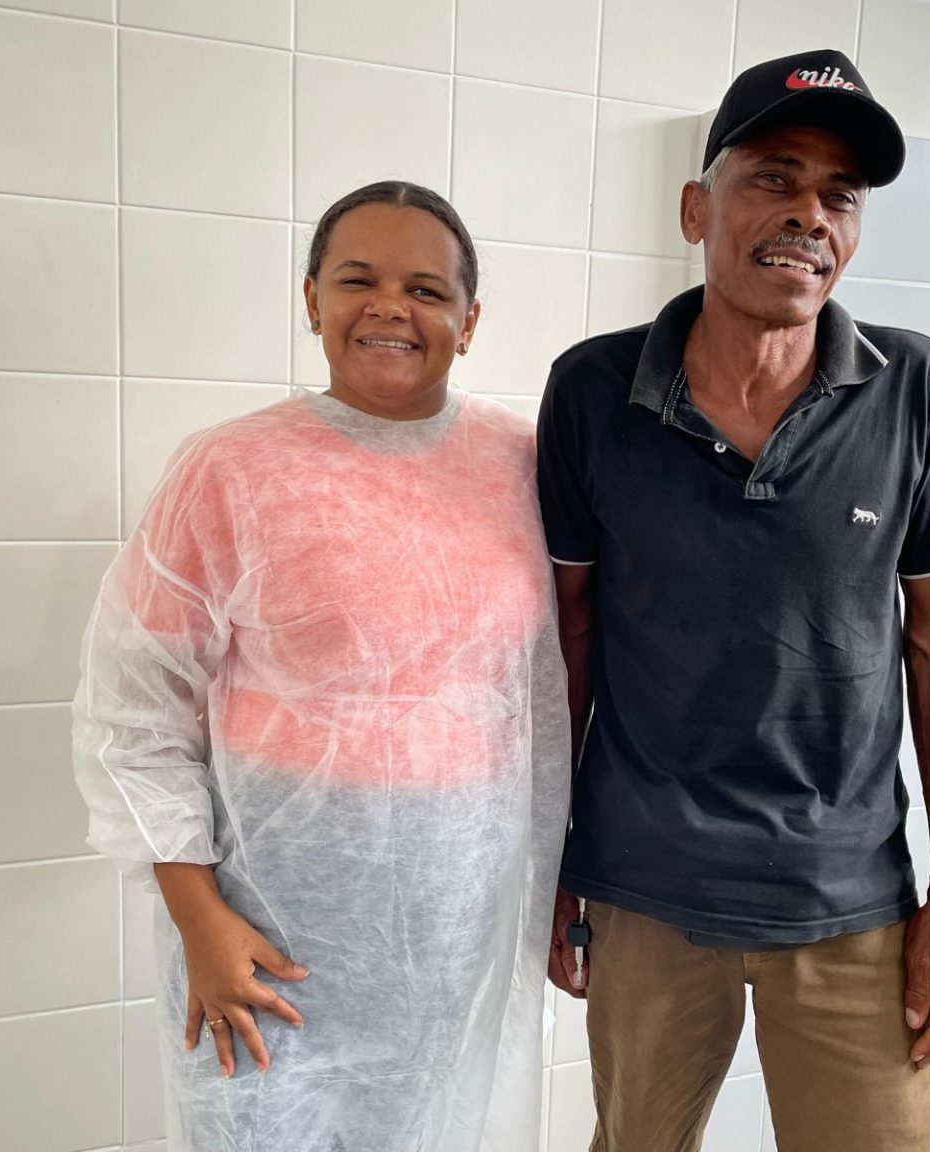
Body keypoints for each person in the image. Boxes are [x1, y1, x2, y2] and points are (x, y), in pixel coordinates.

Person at [536, 50, 930, 1152]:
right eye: (775, 178)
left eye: (841, 195)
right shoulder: (593, 391)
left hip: (850, 896)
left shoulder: (912, 387)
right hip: (645, 885)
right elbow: (564, 640)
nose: (810, 215)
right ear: (697, 207)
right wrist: (549, 860)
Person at [73, 181, 570, 1152]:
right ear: (312, 300)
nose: (391, 307)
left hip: (457, 952)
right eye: (358, 280)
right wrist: (200, 923)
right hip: (260, 948)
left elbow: (543, 706)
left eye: (426, 290)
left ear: (469, 321)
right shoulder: (229, 470)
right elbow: (134, 717)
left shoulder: (526, 466)